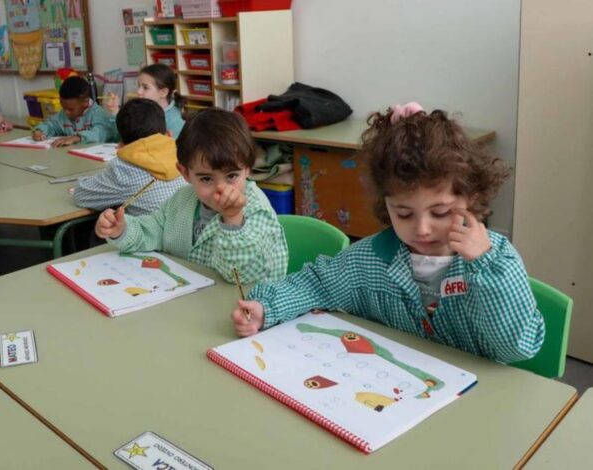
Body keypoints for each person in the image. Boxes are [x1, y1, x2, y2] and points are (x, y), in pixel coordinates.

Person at [231, 103, 545, 364]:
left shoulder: (496, 259)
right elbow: (317, 283)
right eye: (404, 213)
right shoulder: (371, 258)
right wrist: (267, 308)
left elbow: (516, 348)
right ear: (386, 205)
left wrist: (484, 266)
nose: (421, 229)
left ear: (471, 198)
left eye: (440, 212)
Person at [95, 108, 288, 284]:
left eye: (231, 176)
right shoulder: (182, 200)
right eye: (206, 179)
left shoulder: (256, 210)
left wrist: (233, 219)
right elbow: (151, 231)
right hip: (191, 300)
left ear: (247, 168)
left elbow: (239, 276)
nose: (220, 189)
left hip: (245, 310)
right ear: (185, 173)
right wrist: (122, 229)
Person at [73, 98, 186, 215]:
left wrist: (85, 179)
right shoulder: (184, 155)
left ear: (121, 144)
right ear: (168, 134)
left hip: (152, 232)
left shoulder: (124, 168)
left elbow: (80, 196)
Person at [104, 64, 185, 139]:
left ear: (163, 92)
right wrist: (115, 112)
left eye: (145, 88)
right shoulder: (139, 110)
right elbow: (121, 138)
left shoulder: (175, 122)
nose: (138, 91)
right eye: (139, 86)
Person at [32, 76, 114, 146]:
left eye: (71, 109)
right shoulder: (63, 114)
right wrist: (40, 131)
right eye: (63, 107)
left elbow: (101, 133)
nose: (66, 112)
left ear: (85, 102)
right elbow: (51, 125)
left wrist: (77, 138)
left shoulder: (98, 113)